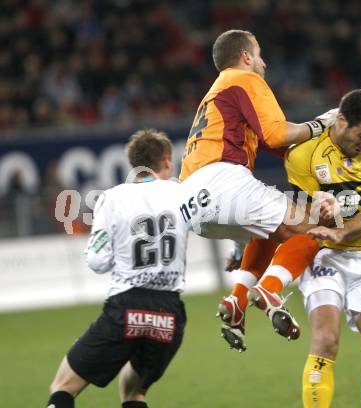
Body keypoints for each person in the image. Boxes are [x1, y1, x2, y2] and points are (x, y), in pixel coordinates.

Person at [178, 29, 339, 352]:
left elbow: (273, 145)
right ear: (246, 57)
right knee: (321, 223)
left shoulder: (215, 95)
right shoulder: (243, 78)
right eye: (260, 54)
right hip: (224, 180)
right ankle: (271, 289)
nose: (264, 63)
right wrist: (324, 123)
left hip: (190, 204)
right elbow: (279, 134)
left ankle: (236, 301)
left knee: (268, 230)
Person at [236, 87, 361, 407]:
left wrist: (344, 229)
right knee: (325, 340)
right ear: (341, 121)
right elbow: (306, 217)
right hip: (325, 255)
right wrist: (323, 217)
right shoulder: (303, 154)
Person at [46, 129, 189, 408]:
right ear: (167, 161)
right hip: (169, 313)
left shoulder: (112, 198)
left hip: (126, 306)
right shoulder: (182, 193)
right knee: (133, 391)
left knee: (63, 386)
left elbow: (98, 261)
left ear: (133, 163)